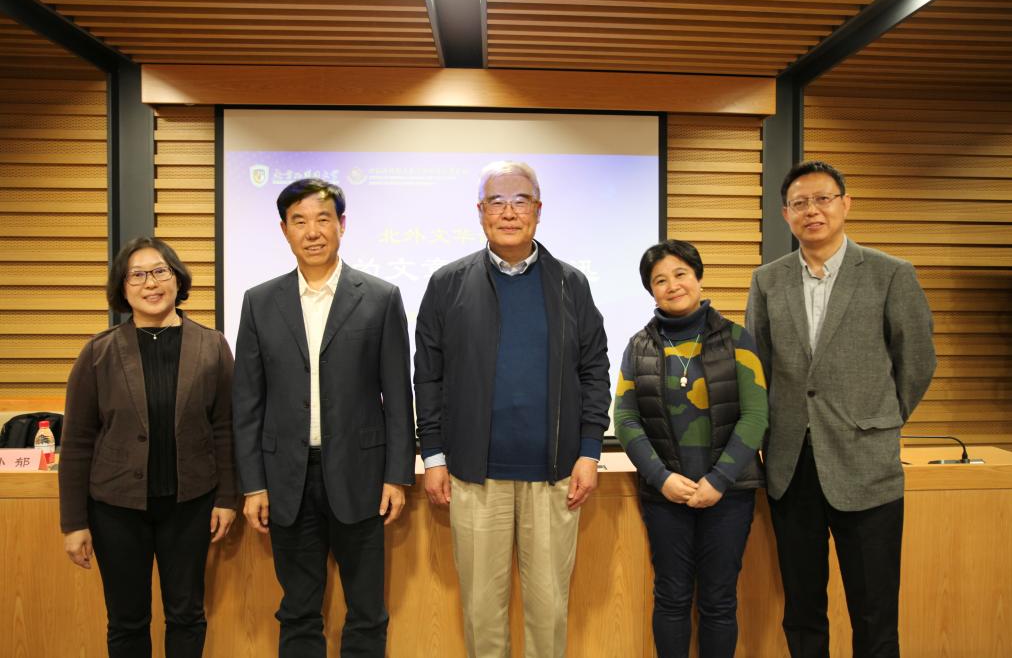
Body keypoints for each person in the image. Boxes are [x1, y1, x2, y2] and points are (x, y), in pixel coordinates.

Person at [414, 160, 611, 658]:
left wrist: (590, 451)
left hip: (555, 475)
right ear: (480, 211)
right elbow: (428, 376)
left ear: (538, 210)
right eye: (496, 202)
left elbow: (594, 370)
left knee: (549, 612)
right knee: (482, 613)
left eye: (520, 200)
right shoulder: (447, 283)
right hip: (474, 476)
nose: (508, 212)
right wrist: (433, 456)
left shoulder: (571, 283)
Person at [745, 160, 936, 657]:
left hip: (866, 463)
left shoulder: (890, 274)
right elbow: (758, 369)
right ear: (786, 214)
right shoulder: (767, 281)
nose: (812, 210)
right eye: (800, 203)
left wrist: (879, 420)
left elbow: (917, 361)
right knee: (802, 610)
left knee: (875, 612)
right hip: (791, 466)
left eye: (823, 199)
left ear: (845, 204)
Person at [232, 178, 414, 657]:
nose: (312, 232)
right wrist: (253, 485)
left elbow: (398, 395)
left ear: (341, 225)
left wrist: (396, 476)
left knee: (367, 611)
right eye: (299, 221)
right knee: (297, 612)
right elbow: (247, 402)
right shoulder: (259, 301)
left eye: (323, 219)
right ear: (284, 230)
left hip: (361, 476)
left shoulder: (380, 297)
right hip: (286, 479)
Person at [59, 237, 237, 658]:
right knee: (126, 621)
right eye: (136, 275)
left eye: (160, 271)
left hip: (191, 504)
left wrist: (227, 498)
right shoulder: (98, 352)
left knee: (187, 615)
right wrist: (73, 523)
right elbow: (78, 440)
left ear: (177, 279)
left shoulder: (212, 346)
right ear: (123, 289)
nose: (150, 283)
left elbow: (226, 428)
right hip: (115, 508)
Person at [614, 240, 768, 657]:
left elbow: (756, 415)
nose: (673, 285)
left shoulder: (736, 338)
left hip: (728, 494)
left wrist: (719, 480)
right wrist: (660, 478)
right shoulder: (639, 346)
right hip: (666, 496)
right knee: (671, 597)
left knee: (719, 601)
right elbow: (625, 419)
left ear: (698, 277)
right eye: (660, 280)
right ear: (651, 291)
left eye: (680, 274)